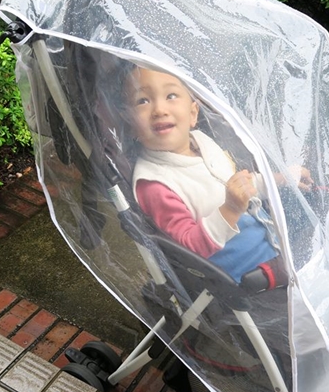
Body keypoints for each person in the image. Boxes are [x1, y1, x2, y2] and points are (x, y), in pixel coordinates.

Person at [123, 66, 314, 286]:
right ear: (131, 124)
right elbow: (188, 249)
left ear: (193, 113)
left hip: (270, 245)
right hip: (243, 277)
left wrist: (281, 178)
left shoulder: (202, 141)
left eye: (171, 96)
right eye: (143, 101)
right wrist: (230, 209)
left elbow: (238, 187)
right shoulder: (154, 184)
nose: (159, 109)